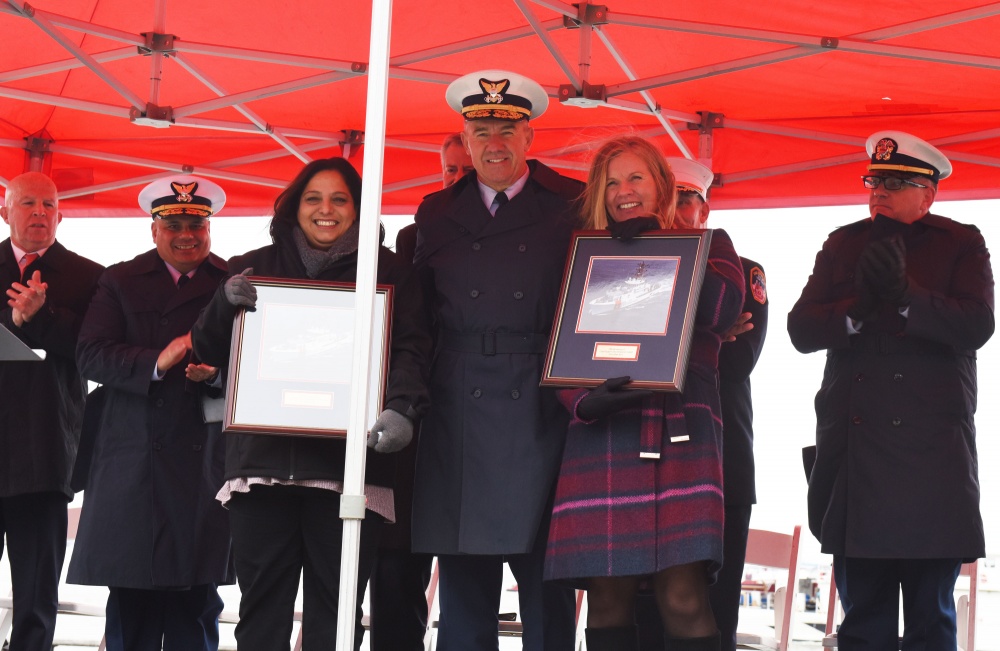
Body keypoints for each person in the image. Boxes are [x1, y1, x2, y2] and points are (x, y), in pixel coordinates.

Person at [191, 157, 431, 651]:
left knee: (338, 614)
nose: (327, 209)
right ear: (294, 207)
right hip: (263, 467)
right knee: (261, 613)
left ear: (359, 209)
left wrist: (402, 408)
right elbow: (208, 350)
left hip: (349, 468)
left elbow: (410, 349)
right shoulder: (253, 267)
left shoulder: (390, 272)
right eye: (314, 198)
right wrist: (222, 303)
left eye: (340, 199)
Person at [787, 131, 993, 651]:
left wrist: (907, 296)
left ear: (929, 194)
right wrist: (855, 310)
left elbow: (977, 326)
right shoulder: (843, 242)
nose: (879, 190)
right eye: (874, 180)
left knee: (931, 621)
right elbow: (801, 329)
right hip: (857, 458)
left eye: (895, 183)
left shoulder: (960, 242)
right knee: (863, 623)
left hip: (930, 463)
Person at [543, 136, 745, 651]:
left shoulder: (711, 242)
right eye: (611, 182)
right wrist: (582, 403)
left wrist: (659, 242)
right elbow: (557, 341)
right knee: (607, 596)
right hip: (603, 434)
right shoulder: (581, 253)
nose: (623, 191)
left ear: (661, 185)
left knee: (683, 596)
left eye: (636, 178)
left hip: (682, 432)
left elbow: (721, 310)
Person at [409, 69, 581, 651]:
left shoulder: (571, 204)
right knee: (463, 584)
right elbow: (414, 316)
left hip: (541, 403)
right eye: (482, 130)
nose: (494, 143)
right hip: (458, 405)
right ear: (465, 136)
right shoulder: (434, 213)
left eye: (507, 131)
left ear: (529, 137)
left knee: (546, 582)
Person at [69, 176, 234, 651]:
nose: (188, 234)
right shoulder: (119, 280)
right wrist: (156, 362)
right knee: (131, 611)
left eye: (197, 226)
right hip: (133, 461)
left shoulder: (229, 284)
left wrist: (217, 375)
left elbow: (254, 364)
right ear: (154, 230)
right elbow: (91, 354)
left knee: (196, 610)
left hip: (202, 466)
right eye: (176, 224)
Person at [634, 158, 768, 651]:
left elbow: (732, 365)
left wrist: (667, 326)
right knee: (641, 609)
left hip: (721, 459)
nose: (681, 208)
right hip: (643, 454)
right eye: (673, 197)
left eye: (691, 199)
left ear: (706, 209)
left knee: (714, 609)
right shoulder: (634, 267)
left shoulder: (742, 272)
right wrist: (705, 329)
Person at [369, 132, 474, 651]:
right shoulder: (413, 241)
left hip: (470, 424)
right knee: (395, 569)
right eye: (449, 170)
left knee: (467, 578)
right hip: (408, 430)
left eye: (465, 169)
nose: (457, 179)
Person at [0, 171, 104, 651]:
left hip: (45, 453)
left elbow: (95, 352)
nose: (39, 212)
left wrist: (42, 319)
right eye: (27, 203)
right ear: (6, 212)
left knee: (37, 594)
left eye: (48, 204)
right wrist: (13, 320)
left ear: (61, 214)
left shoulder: (89, 276)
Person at [394, 132, 474, 263]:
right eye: (451, 170)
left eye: (468, 170)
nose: (458, 178)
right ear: (442, 172)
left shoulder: (494, 229)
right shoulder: (408, 238)